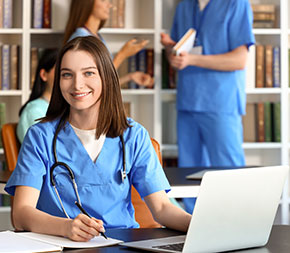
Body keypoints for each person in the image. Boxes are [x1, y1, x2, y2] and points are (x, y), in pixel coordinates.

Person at [5, 36, 191, 242]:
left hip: (123, 244)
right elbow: (21, 214)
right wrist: (66, 227)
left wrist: (199, 224)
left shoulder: (133, 136)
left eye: (89, 73)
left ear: (106, 77)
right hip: (61, 243)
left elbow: (163, 208)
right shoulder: (40, 136)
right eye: (67, 75)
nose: (77, 84)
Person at [160, 0, 255, 213]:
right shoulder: (185, 5)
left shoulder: (236, 3)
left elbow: (239, 60)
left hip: (221, 102)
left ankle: (238, 224)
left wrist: (192, 59)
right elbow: (176, 51)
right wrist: (171, 53)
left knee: (230, 174)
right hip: (188, 100)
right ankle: (192, 230)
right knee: (189, 177)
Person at [63, 0, 154, 88]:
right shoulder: (81, 38)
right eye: (103, 0)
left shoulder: (97, 36)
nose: (109, 5)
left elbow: (102, 84)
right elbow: (94, 83)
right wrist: (122, 54)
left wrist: (130, 77)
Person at [17, 48, 58, 143]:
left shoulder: (67, 108)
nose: (63, 76)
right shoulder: (34, 111)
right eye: (59, 70)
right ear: (44, 74)